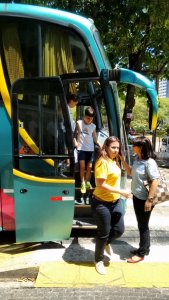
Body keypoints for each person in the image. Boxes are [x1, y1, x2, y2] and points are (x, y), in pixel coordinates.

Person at [91, 136, 130, 275]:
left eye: (118, 148)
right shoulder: (102, 162)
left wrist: (123, 158)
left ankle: (106, 243)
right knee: (103, 232)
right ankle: (98, 260)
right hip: (101, 202)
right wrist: (122, 191)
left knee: (119, 230)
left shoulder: (116, 160)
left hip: (116, 201)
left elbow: (128, 172)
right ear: (106, 147)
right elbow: (100, 184)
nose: (115, 150)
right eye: (113, 147)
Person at [120, 136, 159, 263]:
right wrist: (122, 159)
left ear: (141, 148)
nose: (132, 147)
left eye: (134, 145)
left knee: (143, 226)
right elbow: (131, 172)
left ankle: (142, 253)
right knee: (141, 225)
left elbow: (155, 181)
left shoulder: (150, 162)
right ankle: (143, 248)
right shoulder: (137, 159)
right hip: (137, 197)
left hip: (145, 199)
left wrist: (149, 200)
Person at [74, 106, 102, 194]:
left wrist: (100, 144)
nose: (89, 120)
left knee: (89, 167)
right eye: (87, 118)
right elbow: (74, 134)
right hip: (81, 148)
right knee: (82, 166)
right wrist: (75, 142)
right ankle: (82, 182)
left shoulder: (93, 126)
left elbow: (95, 138)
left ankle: (86, 181)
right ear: (84, 116)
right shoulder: (79, 123)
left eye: (91, 119)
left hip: (90, 149)